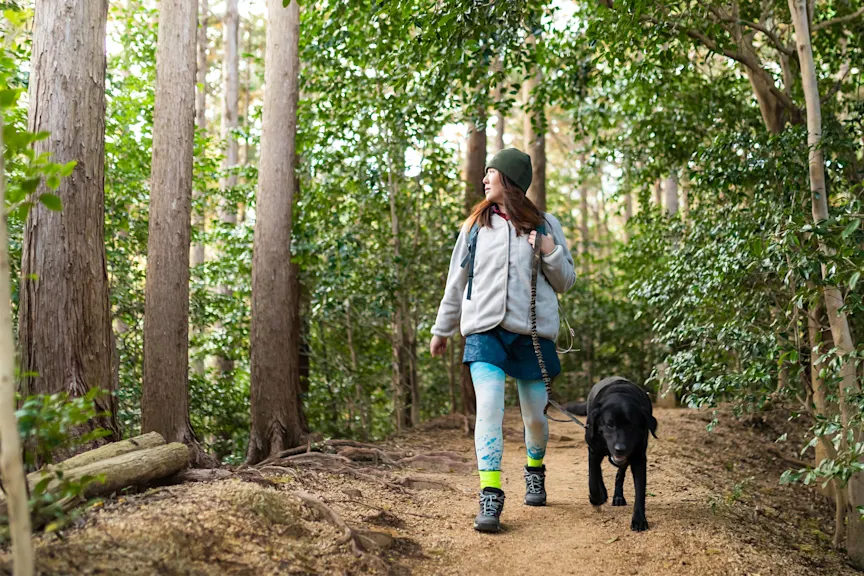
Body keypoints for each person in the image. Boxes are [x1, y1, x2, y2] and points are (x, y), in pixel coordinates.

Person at [429, 147, 576, 532]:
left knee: (534, 418)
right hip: (485, 332)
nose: (484, 179)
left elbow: (566, 282)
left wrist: (548, 252)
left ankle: (534, 467)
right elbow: (456, 281)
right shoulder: (475, 225)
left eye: (491, 172)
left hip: (531, 335)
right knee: (489, 408)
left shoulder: (545, 224)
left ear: (508, 179)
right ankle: (490, 496)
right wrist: (442, 329)